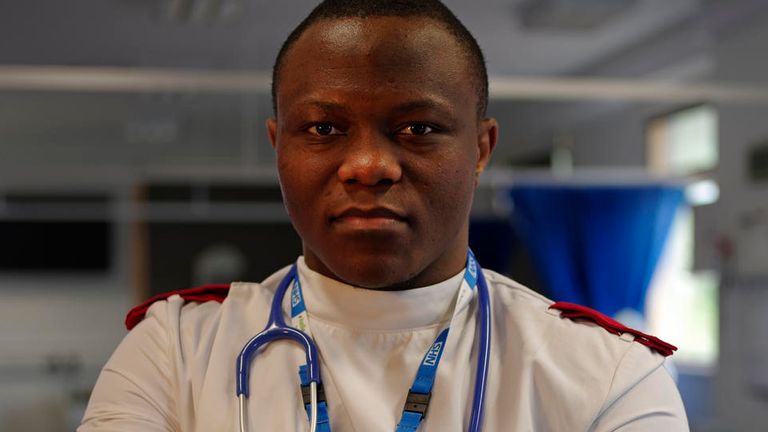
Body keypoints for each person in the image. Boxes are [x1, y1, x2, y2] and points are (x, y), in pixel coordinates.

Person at [78, 1, 689, 431]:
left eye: (418, 128)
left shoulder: (611, 375)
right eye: (323, 128)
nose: (368, 165)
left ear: (480, 149)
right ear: (278, 147)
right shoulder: (176, 348)